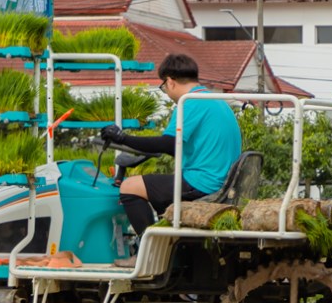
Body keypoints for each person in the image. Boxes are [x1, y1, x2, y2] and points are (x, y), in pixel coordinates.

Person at [100, 53, 243, 249]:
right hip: (218, 180)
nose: (166, 92)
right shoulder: (215, 100)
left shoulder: (190, 102)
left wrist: (122, 138)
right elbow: (176, 149)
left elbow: (168, 144)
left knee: (130, 186)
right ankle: (172, 250)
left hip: (203, 182)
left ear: (170, 82)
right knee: (158, 191)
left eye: (163, 87)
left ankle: (148, 253)